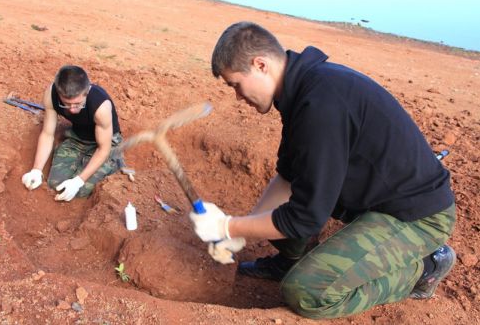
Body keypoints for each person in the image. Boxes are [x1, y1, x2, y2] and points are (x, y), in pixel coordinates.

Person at [189, 22, 456, 319]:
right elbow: (288, 177)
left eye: (235, 85)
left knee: (306, 292)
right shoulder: (301, 91)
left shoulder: (320, 104)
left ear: (260, 65)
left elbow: (304, 217)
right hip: (374, 203)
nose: (237, 96)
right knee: (269, 218)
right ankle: (292, 260)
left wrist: (228, 227)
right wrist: (241, 231)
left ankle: (424, 268)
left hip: (416, 217)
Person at [21, 65, 125, 201]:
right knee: (56, 185)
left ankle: (116, 159)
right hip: (77, 137)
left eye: (78, 104)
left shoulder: (100, 106)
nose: (72, 110)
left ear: (86, 91)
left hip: (107, 142)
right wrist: (36, 170)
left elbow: (103, 149)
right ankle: (83, 159)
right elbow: (47, 134)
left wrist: (78, 181)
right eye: (66, 104)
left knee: (80, 191)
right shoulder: (51, 95)